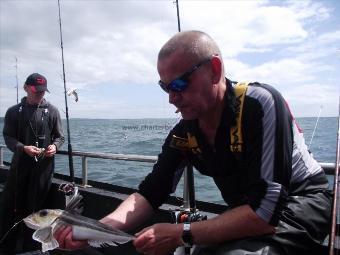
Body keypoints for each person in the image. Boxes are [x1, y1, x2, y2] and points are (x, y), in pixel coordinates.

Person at [54, 31, 331, 255]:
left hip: (299, 205)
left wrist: (181, 234)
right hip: (248, 211)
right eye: (164, 87)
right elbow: (150, 193)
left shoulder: (260, 104)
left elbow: (265, 212)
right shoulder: (184, 132)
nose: (171, 98)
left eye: (178, 85)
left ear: (214, 69)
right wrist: (93, 229)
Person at [0, 73, 65, 254]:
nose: (40, 95)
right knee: (11, 206)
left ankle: (34, 247)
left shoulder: (52, 111)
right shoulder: (13, 111)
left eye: (43, 91)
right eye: (37, 91)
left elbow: (60, 137)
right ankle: (7, 246)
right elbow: (8, 137)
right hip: (19, 166)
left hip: (43, 169)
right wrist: (23, 148)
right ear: (26, 88)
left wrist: (55, 146)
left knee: (37, 208)